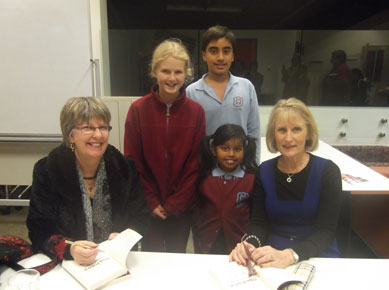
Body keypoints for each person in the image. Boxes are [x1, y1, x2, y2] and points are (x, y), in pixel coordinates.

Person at [27, 97, 149, 266]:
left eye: (103, 127)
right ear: (71, 136)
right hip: (68, 266)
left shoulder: (125, 168)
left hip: (116, 262)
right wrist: (70, 248)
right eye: (88, 128)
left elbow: (141, 217)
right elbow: (39, 229)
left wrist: (126, 236)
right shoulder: (47, 170)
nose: (98, 135)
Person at [229, 98, 342, 268]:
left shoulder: (328, 171)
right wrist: (250, 244)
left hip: (317, 253)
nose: (288, 138)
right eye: (282, 130)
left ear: (308, 133)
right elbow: (259, 223)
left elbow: (326, 232)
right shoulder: (264, 171)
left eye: (296, 129)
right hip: (273, 251)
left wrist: (291, 255)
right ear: (273, 135)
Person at [124, 39, 206, 253]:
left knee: (177, 258)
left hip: (182, 208)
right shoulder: (138, 110)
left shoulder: (196, 112)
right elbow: (133, 161)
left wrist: (175, 203)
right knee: (150, 258)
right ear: (154, 72)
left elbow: (195, 163)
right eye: (165, 71)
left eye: (178, 72)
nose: (172, 78)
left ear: (186, 74)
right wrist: (151, 202)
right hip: (147, 205)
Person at [186, 25, 261, 164]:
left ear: (233, 56)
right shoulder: (192, 92)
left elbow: (253, 132)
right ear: (204, 55)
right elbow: (188, 139)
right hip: (206, 171)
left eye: (226, 51)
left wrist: (254, 168)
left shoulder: (246, 87)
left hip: (240, 170)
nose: (220, 57)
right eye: (213, 51)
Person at [192, 124, 257, 255]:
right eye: (225, 148)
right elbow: (197, 211)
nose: (231, 154)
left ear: (244, 150)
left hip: (239, 246)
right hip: (208, 242)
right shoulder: (204, 178)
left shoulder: (251, 179)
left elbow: (255, 215)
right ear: (214, 150)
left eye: (237, 149)